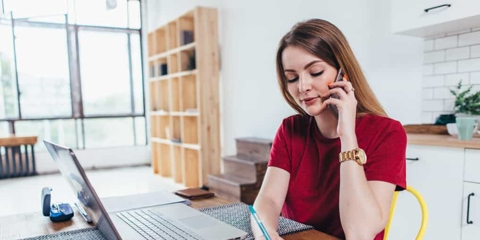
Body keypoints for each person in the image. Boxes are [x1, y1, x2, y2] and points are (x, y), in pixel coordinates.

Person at [251, 19, 407, 240]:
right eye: (292, 78)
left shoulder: (388, 133)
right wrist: (266, 234)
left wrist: (347, 135)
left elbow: (360, 233)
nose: (302, 87)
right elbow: (268, 201)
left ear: (343, 72)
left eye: (315, 72)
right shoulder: (290, 129)